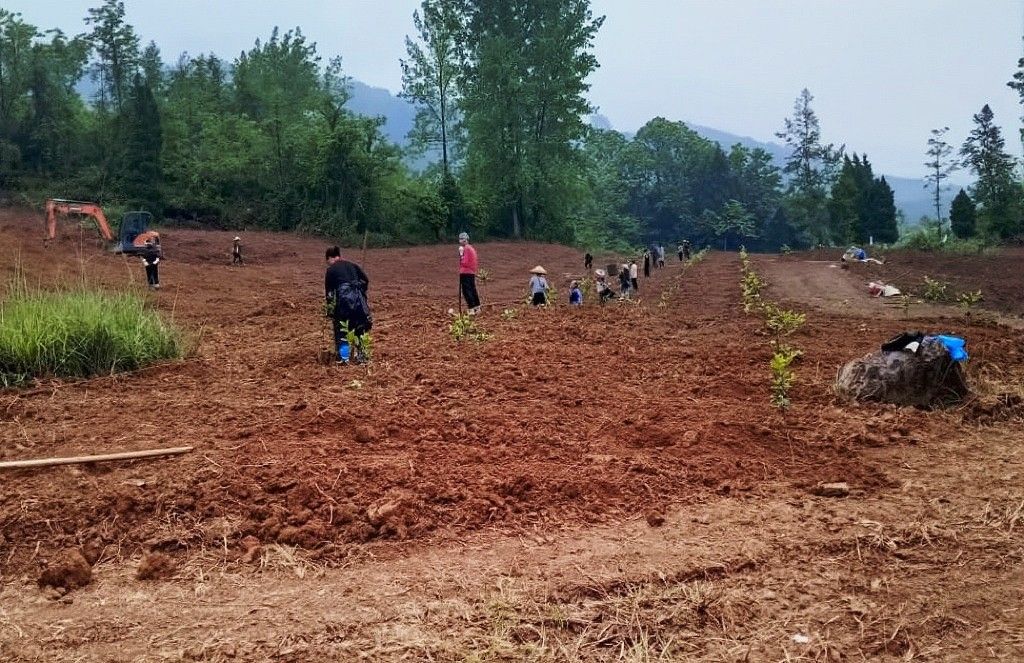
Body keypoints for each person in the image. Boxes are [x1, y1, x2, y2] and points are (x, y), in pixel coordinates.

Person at [324, 245, 371, 364]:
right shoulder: (353, 265)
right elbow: (366, 280)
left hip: (344, 301)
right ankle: (362, 357)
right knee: (360, 327)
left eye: (327, 261)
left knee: (341, 329)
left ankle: (344, 358)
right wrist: (361, 292)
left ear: (330, 258)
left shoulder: (331, 270)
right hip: (359, 300)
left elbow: (329, 293)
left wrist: (330, 311)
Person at [458, 232, 481, 315]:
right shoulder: (471, 248)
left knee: (466, 291)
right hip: (471, 272)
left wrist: (461, 254)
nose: (461, 241)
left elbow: (464, 262)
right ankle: (477, 307)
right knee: (472, 289)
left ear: (466, 240)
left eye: (462, 239)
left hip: (466, 272)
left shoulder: (466, 249)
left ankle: (471, 309)